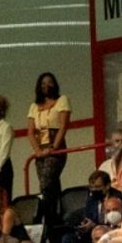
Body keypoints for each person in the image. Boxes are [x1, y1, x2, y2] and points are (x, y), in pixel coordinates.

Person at [27, 73, 72, 227]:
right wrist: (37, 150)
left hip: (55, 146)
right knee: (51, 187)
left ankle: (44, 219)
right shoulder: (34, 106)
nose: (46, 85)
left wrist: (53, 147)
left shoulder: (62, 100)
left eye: (49, 82)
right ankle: (56, 222)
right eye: (43, 83)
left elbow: (63, 126)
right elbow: (30, 132)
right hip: (40, 147)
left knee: (45, 183)